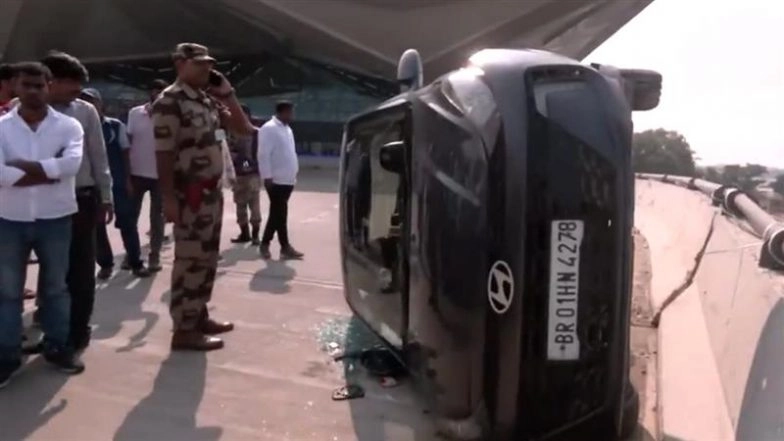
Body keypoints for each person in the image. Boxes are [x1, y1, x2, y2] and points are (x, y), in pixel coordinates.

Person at [153, 43, 256, 351]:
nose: (206, 69)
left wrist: (228, 94)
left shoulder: (206, 100)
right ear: (179, 64)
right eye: (199, 64)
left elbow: (244, 129)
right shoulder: (170, 101)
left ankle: (198, 315)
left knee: (208, 258)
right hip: (189, 195)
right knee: (190, 260)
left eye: (209, 64)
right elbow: (163, 154)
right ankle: (184, 330)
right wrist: (168, 199)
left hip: (211, 192)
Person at [0, 62, 86, 388]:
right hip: (9, 218)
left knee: (55, 287)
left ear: (49, 86)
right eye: (27, 85)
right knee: (8, 292)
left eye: (40, 85)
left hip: (55, 218)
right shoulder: (2, 127)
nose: (34, 91)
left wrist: (22, 167)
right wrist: (49, 172)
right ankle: (8, 355)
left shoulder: (69, 126)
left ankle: (57, 346)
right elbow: (0, 174)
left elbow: (72, 165)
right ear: (15, 87)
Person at [40, 51, 113, 353]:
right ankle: (52, 330)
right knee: (50, 271)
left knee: (80, 271)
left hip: (80, 199)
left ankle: (78, 332)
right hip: (36, 201)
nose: (77, 90)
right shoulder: (21, 110)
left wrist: (106, 195)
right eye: (72, 83)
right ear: (51, 81)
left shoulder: (85, 112)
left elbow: (98, 155)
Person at [81, 89, 150, 280]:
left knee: (127, 223)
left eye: (92, 101)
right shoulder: (78, 127)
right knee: (98, 227)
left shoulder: (115, 126)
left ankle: (136, 262)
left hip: (118, 183)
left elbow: (126, 153)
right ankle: (105, 264)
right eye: (84, 101)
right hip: (92, 185)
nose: (89, 105)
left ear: (100, 104)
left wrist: (128, 179)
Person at [127, 79, 168, 272]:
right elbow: (128, 142)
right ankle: (131, 255)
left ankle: (154, 256)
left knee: (157, 218)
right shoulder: (135, 113)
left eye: (162, 92)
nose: (158, 95)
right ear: (150, 93)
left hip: (161, 175)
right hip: (137, 174)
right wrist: (126, 173)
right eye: (155, 91)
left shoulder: (170, 116)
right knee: (131, 217)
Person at [257, 101, 304, 260]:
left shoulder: (287, 129)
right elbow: (263, 154)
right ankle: (273, 245)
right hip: (276, 180)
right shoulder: (269, 128)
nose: (292, 115)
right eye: (290, 112)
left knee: (277, 214)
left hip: (287, 179)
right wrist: (267, 176)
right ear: (282, 112)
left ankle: (279, 246)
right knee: (280, 213)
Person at [229, 104, 261, 244]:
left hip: (251, 173)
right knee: (240, 204)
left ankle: (255, 235)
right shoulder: (230, 130)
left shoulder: (255, 132)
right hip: (239, 173)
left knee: (254, 204)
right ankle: (245, 234)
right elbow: (223, 146)